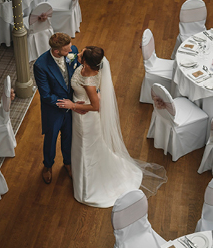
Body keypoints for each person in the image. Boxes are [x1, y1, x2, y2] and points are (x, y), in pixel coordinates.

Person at [56, 46, 167, 207]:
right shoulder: (90, 69)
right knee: (87, 147)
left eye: (81, 54)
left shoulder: (88, 82)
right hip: (82, 110)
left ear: (86, 62)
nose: (78, 53)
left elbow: (96, 106)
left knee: (85, 148)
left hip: (84, 118)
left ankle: (88, 187)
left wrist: (73, 105)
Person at [33, 33, 84, 184]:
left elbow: (78, 71)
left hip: (71, 107)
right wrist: (65, 103)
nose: (71, 51)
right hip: (53, 110)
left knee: (69, 137)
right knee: (51, 139)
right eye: (67, 50)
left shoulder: (72, 50)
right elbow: (46, 95)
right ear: (57, 51)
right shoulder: (40, 65)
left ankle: (67, 163)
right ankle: (48, 166)